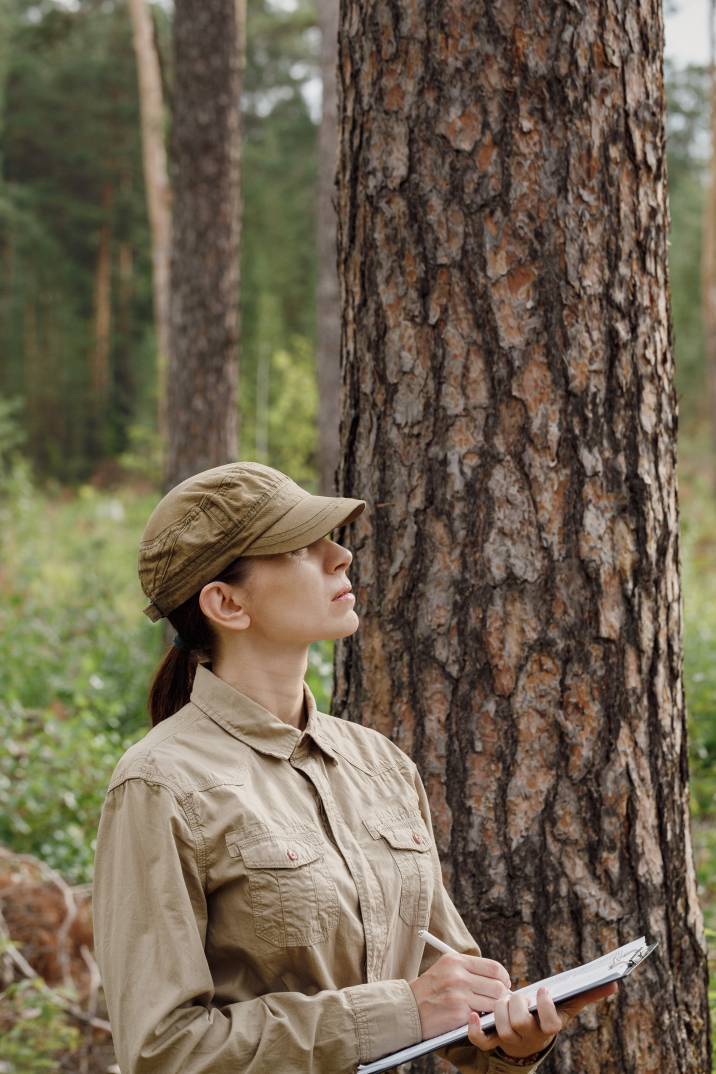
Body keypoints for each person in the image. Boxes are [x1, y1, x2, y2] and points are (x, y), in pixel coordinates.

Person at [92, 460, 616, 1074]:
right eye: (298, 548)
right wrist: (399, 1012)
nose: (339, 556)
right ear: (226, 603)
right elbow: (164, 1051)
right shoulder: (159, 785)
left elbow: (441, 993)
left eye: (330, 540)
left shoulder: (380, 765)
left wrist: (504, 1039)